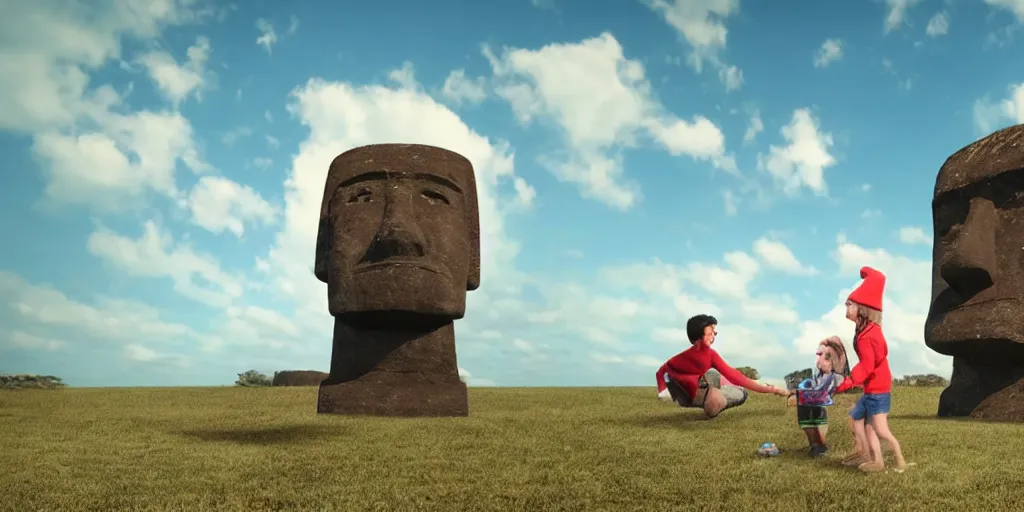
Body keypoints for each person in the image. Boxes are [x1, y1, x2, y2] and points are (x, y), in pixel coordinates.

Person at [834, 266, 908, 473]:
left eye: (850, 305)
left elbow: (868, 365)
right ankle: (871, 456)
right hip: (871, 388)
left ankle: (899, 460)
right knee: (857, 419)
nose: (846, 309)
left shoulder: (869, 336)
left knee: (880, 429)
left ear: (863, 308)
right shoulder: (864, 330)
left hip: (878, 389)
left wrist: (847, 382)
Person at [656, 314, 789, 418]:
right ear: (698, 338)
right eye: (711, 333)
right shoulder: (709, 355)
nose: (714, 336)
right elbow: (738, 378)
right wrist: (774, 390)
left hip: (692, 393)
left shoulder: (679, 359)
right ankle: (716, 400)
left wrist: (663, 392)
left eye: (714, 332)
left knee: (714, 375)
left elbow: (661, 371)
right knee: (740, 393)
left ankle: (715, 397)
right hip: (696, 394)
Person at [785, 336, 850, 457]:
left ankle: (821, 445)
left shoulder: (836, 377)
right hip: (808, 405)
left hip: (820, 406)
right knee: (806, 417)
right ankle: (814, 445)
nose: (819, 358)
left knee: (818, 416)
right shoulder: (816, 377)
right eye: (818, 354)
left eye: (823, 355)